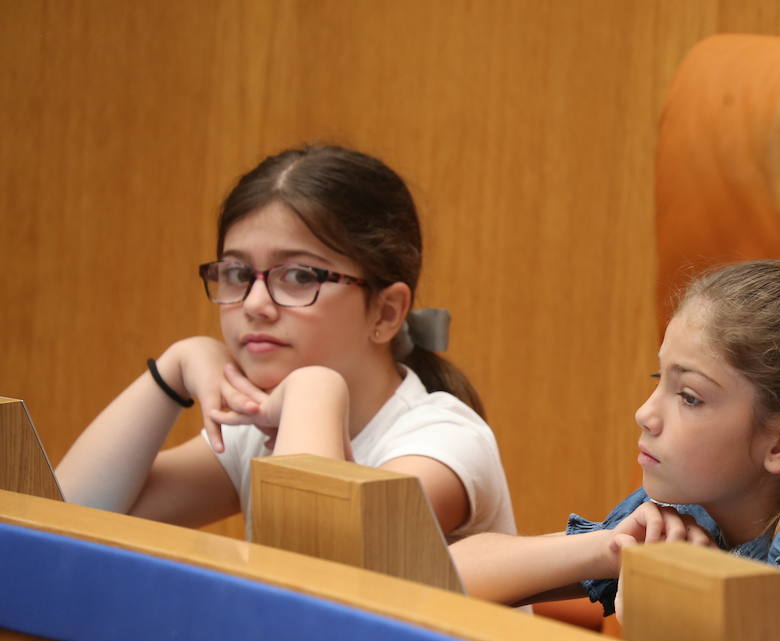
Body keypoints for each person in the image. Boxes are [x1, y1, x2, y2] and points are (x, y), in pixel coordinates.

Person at [453, 225, 780, 624]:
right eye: (658, 378)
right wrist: (610, 549)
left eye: (688, 396)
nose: (645, 414)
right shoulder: (682, 510)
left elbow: (758, 633)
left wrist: (668, 582)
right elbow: (444, 574)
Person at [56, 145, 517, 540]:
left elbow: (310, 576)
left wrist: (313, 390)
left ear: (386, 312)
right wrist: (175, 369)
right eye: (237, 274)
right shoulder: (255, 436)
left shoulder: (442, 445)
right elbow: (66, 522)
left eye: (300, 276)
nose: (255, 304)